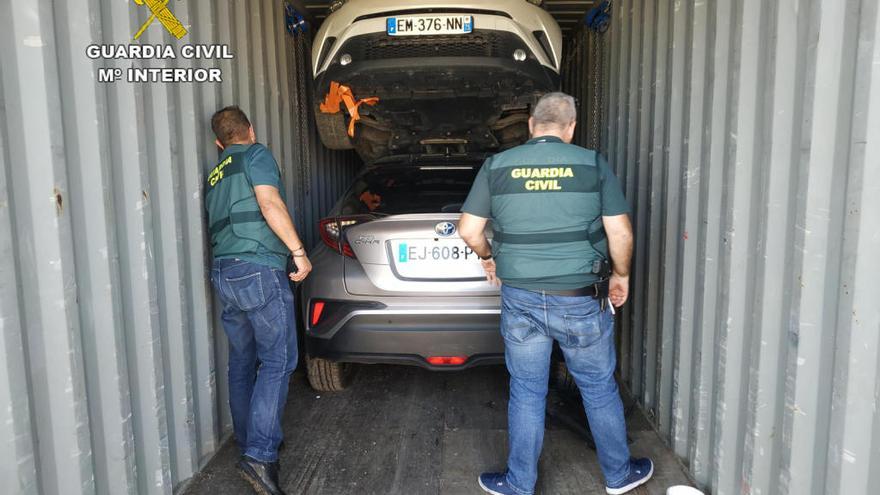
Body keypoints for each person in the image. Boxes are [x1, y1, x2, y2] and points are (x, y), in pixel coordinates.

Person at [458, 92, 652, 495]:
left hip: (521, 298)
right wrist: (622, 276)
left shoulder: (497, 166)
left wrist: (488, 257)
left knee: (527, 389)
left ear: (531, 125)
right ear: (571, 128)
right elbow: (620, 232)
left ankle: (519, 483)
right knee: (597, 386)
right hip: (581, 297)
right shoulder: (591, 163)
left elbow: (468, 231)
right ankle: (618, 476)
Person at [205, 106, 312, 495]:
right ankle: (260, 455)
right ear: (250, 130)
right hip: (257, 269)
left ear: (219, 143)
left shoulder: (216, 173)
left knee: (242, 361)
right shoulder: (256, 154)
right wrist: (298, 251)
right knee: (279, 360)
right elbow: (269, 204)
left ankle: (250, 440)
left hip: (224, 272)